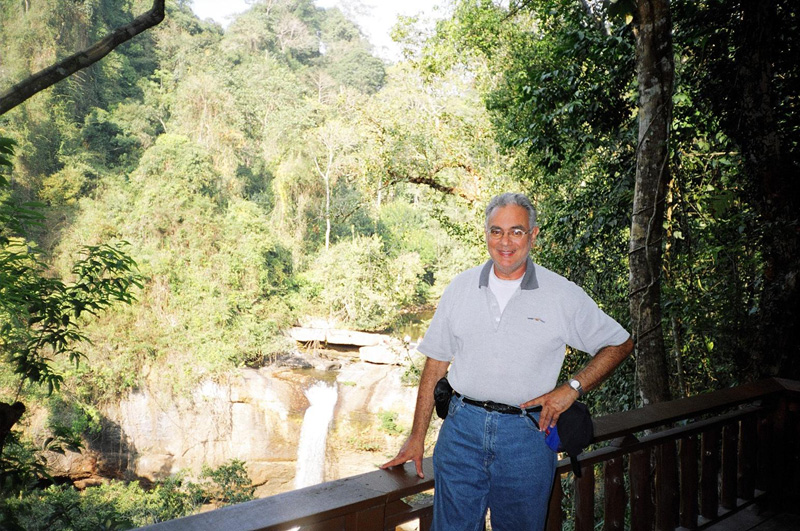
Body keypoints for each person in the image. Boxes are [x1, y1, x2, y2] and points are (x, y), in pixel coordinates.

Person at [380, 192, 633, 530]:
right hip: (461, 431)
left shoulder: (561, 294)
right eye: (496, 231)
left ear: (533, 235)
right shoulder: (460, 288)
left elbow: (619, 343)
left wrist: (571, 388)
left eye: (516, 231)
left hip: (526, 435)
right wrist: (416, 437)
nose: (505, 241)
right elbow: (436, 364)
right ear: (485, 234)